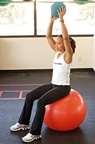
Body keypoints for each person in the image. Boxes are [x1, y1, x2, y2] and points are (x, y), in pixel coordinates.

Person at [10, 7, 76, 143]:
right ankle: (23, 123)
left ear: (65, 44)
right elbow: (48, 37)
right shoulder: (57, 52)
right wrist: (51, 21)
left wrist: (62, 20)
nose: (56, 46)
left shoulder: (68, 55)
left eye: (59, 44)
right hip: (53, 85)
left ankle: (35, 133)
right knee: (30, 96)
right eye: (56, 44)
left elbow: (65, 37)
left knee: (41, 102)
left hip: (63, 88)